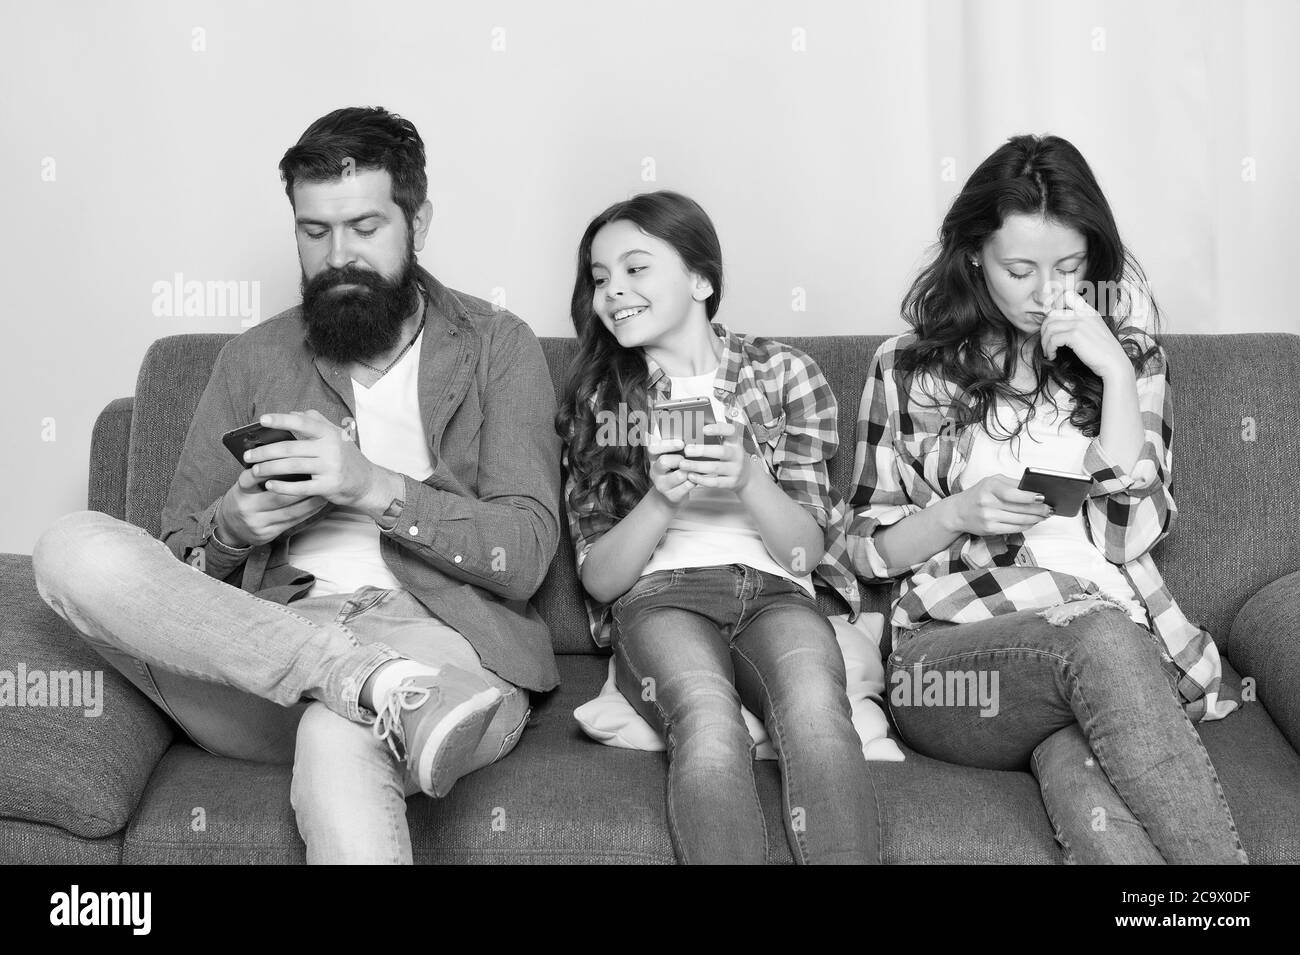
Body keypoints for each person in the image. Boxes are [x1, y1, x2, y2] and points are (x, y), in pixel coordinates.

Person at [31, 106, 562, 864]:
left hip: (444, 651)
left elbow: (528, 551)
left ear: (419, 221)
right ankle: (366, 679)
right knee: (69, 547)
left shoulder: (495, 347)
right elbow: (172, 570)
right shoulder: (252, 359)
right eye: (314, 233)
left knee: (338, 730)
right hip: (260, 655)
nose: (338, 255)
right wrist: (233, 527)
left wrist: (370, 484)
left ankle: (378, 688)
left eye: (365, 228)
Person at [847, 133, 1246, 863]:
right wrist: (956, 514)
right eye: (1019, 269)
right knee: (1093, 634)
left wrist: (1116, 376)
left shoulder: (1132, 359)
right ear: (973, 255)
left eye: (1068, 268)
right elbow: (864, 551)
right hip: (952, 665)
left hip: (1116, 660)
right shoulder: (904, 368)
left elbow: (1132, 539)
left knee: (1093, 791)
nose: (1045, 293)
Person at [556, 190, 879, 864]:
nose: (613, 291)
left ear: (701, 279)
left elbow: (804, 548)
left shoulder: (786, 373)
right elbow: (601, 577)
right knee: (708, 722)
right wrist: (661, 502)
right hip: (660, 596)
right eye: (600, 276)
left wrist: (747, 477)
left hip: (776, 590)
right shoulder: (599, 396)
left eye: (636, 269)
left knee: (818, 714)